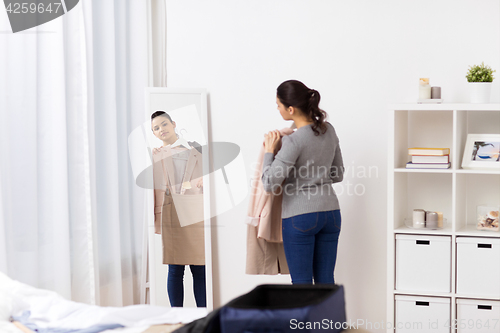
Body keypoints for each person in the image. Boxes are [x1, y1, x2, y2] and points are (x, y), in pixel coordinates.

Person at [261, 80, 344, 285]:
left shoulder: (293, 141)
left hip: (300, 217)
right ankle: (327, 319)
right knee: (326, 282)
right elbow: (338, 174)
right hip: (331, 213)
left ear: (290, 108)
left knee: (301, 285)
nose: (278, 109)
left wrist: (269, 152)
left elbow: (270, 183)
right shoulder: (329, 130)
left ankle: (304, 320)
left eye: (279, 105)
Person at [151, 111, 206, 307]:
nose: (161, 130)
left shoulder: (196, 149)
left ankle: (203, 316)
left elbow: (210, 177)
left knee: (200, 267)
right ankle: (177, 316)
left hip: (196, 212)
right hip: (172, 212)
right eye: (156, 128)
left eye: (164, 124)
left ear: (173, 124)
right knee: (175, 268)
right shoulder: (156, 154)